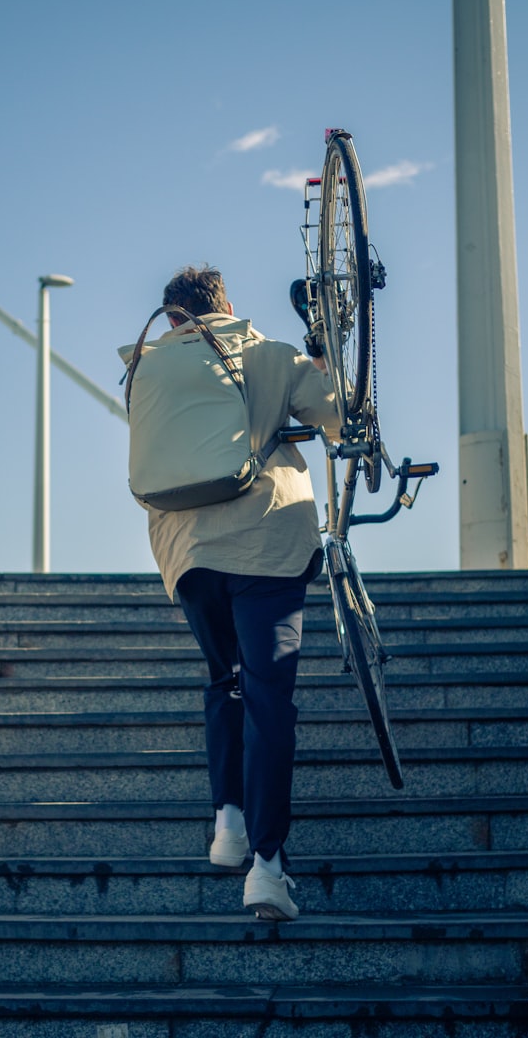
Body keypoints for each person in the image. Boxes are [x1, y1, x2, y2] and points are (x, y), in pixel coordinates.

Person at [139, 264, 340, 921]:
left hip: (188, 554)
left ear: (173, 318)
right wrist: (319, 354)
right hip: (266, 546)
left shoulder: (149, 369)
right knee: (268, 694)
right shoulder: (267, 356)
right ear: (226, 306)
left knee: (224, 676)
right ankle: (267, 866)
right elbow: (336, 413)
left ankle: (228, 818)